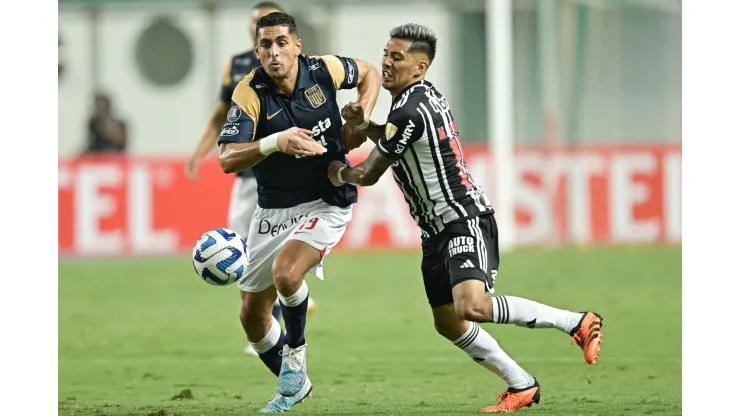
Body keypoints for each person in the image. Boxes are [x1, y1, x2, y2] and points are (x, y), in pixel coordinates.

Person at [329, 23, 604, 414]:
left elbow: (369, 173)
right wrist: (367, 125)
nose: (386, 63)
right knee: (448, 322)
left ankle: (576, 321)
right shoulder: (416, 99)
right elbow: (399, 136)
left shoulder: (409, 109)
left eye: (398, 57)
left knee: (471, 306)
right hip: (435, 230)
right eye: (386, 55)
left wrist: (336, 172)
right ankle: (521, 385)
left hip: (462, 219)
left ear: (420, 67)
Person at [216, 12, 380, 412]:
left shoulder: (323, 70)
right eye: (266, 45)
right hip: (273, 208)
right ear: (257, 51)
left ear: (297, 45)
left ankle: (295, 358)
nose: (274, 52)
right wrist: (275, 142)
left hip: (328, 199)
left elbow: (370, 72)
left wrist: (362, 108)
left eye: (281, 43)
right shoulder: (249, 93)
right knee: (252, 317)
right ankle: (298, 385)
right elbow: (225, 158)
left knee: (287, 274)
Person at [185, 2, 317, 357]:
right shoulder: (237, 66)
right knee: (242, 248)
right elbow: (219, 116)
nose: (267, 35)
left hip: (286, 177)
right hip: (248, 176)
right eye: (257, 23)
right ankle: (275, 310)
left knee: (274, 250)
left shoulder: (298, 69)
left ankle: (278, 312)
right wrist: (202, 150)